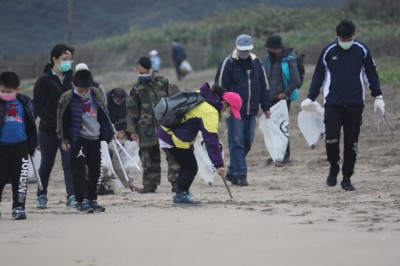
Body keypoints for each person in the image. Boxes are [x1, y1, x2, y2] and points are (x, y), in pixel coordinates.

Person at [301, 19, 384, 191]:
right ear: (337, 36)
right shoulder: (328, 51)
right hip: (333, 104)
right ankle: (333, 165)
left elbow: (371, 74)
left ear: (353, 35)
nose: (345, 42)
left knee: (351, 142)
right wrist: (311, 97)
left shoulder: (362, 50)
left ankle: (347, 177)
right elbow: (319, 76)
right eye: (342, 39)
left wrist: (378, 96)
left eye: (348, 39)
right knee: (331, 137)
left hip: (355, 104)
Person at [157, 83, 242, 205]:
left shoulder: (204, 96)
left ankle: (181, 193)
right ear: (225, 103)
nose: (229, 115)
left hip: (166, 132)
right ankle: (181, 196)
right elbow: (211, 140)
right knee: (191, 167)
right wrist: (219, 164)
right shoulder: (210, 111)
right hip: (173, 137)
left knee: (187, 165)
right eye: (231, 111)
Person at [215, 34, 271, 186]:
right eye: (242, 50)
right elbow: (220, 86)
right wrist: (222, 105)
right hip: (233, 110)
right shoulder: (228, 63)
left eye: (247, 50)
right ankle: (241, 175)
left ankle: (232, 171)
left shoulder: (257, 63)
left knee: (248, 141)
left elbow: (263, 86)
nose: (244, 53)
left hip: (251, 109)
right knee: (237, 141)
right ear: (236, 47)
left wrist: (266, 107)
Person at [57, 69, 114, 213]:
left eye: (85, 90)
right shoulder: (67, 97)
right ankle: (80, 201)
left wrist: (108, 132)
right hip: (78, 139)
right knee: (79, 171)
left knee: (96, 170)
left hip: (95, 138)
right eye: (80, 90)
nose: (83, 93)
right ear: (73, 84)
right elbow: (61, 118)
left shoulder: (96, 93)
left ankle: (92, 199)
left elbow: (104, 113)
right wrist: (64, 138)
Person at [126, 56, 180, 193]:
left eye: (145, 72)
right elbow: (131, 111)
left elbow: (176, 101)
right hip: (146, 128)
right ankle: (150, 184)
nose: (143, 75)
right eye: (140, 73)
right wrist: (132, 130)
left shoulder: (164, 83)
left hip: (165, 125)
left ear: (151, 69)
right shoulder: (136, 88)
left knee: (173, 154)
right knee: (149, 157)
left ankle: (176, 182)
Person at [33, 43, 76, 209]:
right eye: (64, 59)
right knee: (46, 163)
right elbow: (39, 106)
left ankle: (71, 195)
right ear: (54, 59)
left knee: (68, 163)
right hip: (47, 130)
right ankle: (42, 194)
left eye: (70, 59)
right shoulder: (43, 80)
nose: (67, 62)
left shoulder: (72, 80)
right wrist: (56, 124)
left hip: (68, 131)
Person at [0, 72, 37, 220]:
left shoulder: (24, 103)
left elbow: (31, 126)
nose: (6, 94)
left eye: (9, 92)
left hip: (20, 147)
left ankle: (18, 207)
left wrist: (32, 145)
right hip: (2, 148)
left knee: (20, 179)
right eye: (2, 91)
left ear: (18, 89)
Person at [264, 34, 301, 165]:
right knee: (272, 127)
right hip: (270, 97)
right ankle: (276, 154)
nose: (269, 50)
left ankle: (285, 156)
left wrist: (284, 94)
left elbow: (296, 80)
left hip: (282, 99)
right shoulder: (269, 58)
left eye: (271, 48)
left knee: (281, 127)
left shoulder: (289, 59)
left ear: (277, 48)